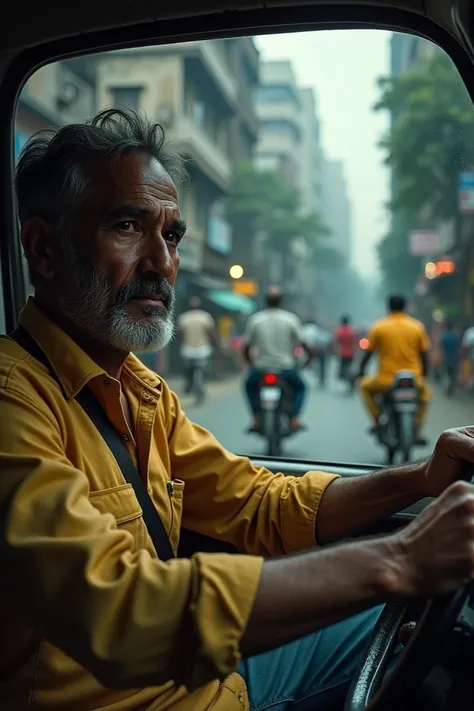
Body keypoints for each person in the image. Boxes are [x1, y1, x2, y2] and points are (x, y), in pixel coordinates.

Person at [1, 108, 474, 711]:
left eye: (170, 236)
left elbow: (258, 502)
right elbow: (115, 609)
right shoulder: (14, 400)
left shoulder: (141, 391)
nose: (162, 264)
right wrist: (401, 560)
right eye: (127, 226)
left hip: (204, 680)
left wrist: (421, 479)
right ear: (43, 249)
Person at [358, 295, 431, 443]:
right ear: (406, 307)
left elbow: (368, 354)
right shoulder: (416, 327)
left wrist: (361, 371)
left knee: (364, 387)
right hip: (412, 380)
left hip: (385, 381)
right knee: (425, 396)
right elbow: (424, 355)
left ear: (388, 308)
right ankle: (417, 428)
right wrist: (424, 375)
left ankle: (377, 421)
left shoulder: (379, 327)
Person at [242, 287, 312, 432]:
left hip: (261, 367)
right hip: (285, 368)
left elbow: (246, 347)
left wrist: (251, 364)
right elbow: (304, 344)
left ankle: (255, 418)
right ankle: (294, 418)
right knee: (301, 388)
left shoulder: (256, 320)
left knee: (249, 385)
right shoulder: (291, 319)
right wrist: (307, 361)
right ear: (282, 302)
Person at [177, 296, 216, 398]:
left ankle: (189, 384)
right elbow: (211, 333)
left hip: (188, 350)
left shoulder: (184, 318)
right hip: (203, 349)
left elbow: (181, 335)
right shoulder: (205, 316)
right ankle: (203, 381)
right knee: (205, 368)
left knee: (187, 369)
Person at [301, 318, 332, 387]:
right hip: (317, 349)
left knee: (303, 364)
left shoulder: (302, 329)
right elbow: (324, 340)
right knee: (322, 365)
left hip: (305, 350)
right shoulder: (316, 329)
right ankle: (322, 379)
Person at [439, 321, 461, 393]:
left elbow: (441, 347)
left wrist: (441, 356)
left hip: (446, 358)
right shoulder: (456, 336)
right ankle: (451, 388)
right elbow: (458, 348)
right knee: (453, 374)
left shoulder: (444, 336)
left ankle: (446, 388)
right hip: (454, 358)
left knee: (446, 373)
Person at [334, 314, 357, 381]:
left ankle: (349, 379)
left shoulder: (340, 331)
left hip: (342, 352)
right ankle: (351, 380)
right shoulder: (351, 331)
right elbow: (355, 342)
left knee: (343, 368)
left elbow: (336, 341)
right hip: (350, 352)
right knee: (348, 367)